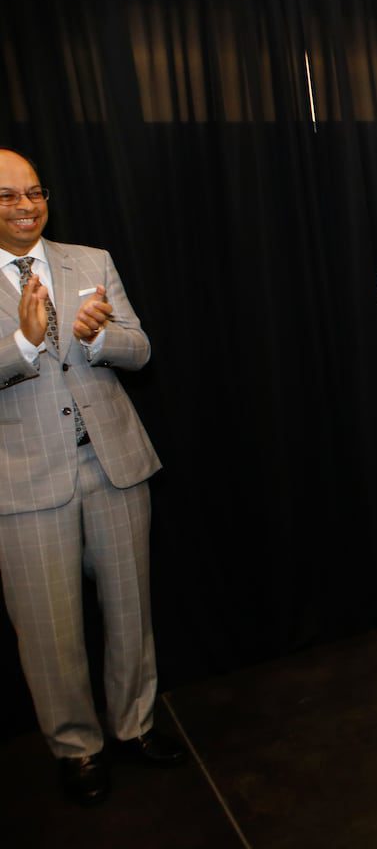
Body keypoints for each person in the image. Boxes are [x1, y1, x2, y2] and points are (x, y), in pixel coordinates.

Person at [0, 149, 183, 806]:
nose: (25, 206)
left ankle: (135, 726)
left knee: (131, 607)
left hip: (111, 462)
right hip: (21, 481)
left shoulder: (91, 260)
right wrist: (24, 344)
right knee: (48, 629)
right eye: (7, 196)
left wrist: (100, 337)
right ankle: (77, 748)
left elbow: (141, 348)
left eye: (34, 192)